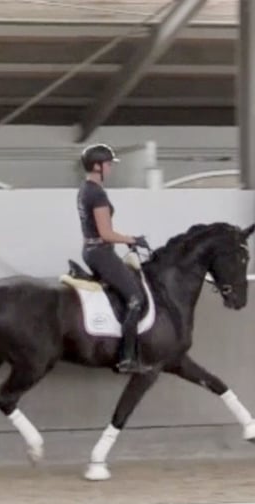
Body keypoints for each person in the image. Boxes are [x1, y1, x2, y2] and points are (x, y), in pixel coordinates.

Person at [76, 143, 152, 374]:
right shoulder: (96, 193)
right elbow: (106, 233)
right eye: (108, 165)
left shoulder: (85, 189)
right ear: (97, 166)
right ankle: (127, 357)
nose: (111, 169)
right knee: (136, 298)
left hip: (93, 250)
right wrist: (133, 239)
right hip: (101, 252)